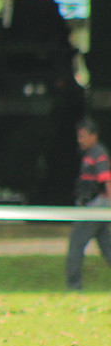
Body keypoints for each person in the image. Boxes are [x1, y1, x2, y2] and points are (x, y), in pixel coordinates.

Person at [66, 117, 111, 290]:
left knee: (76, 245)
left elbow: (106, 180)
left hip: (94, 208)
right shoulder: (90, 154)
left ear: (94, 136)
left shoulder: (98, 154)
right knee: (107, 247)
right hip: (94, 207)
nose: (80, 140)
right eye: (79, 136)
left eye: (83, 136)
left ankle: (74, 286)